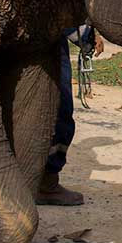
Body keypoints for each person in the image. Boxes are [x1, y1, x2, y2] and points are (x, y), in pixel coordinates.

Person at [36, 25, 102, 206]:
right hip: (46, 42)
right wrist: (86, 36)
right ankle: (47, 184)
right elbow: (55, 4)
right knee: (58, 110)